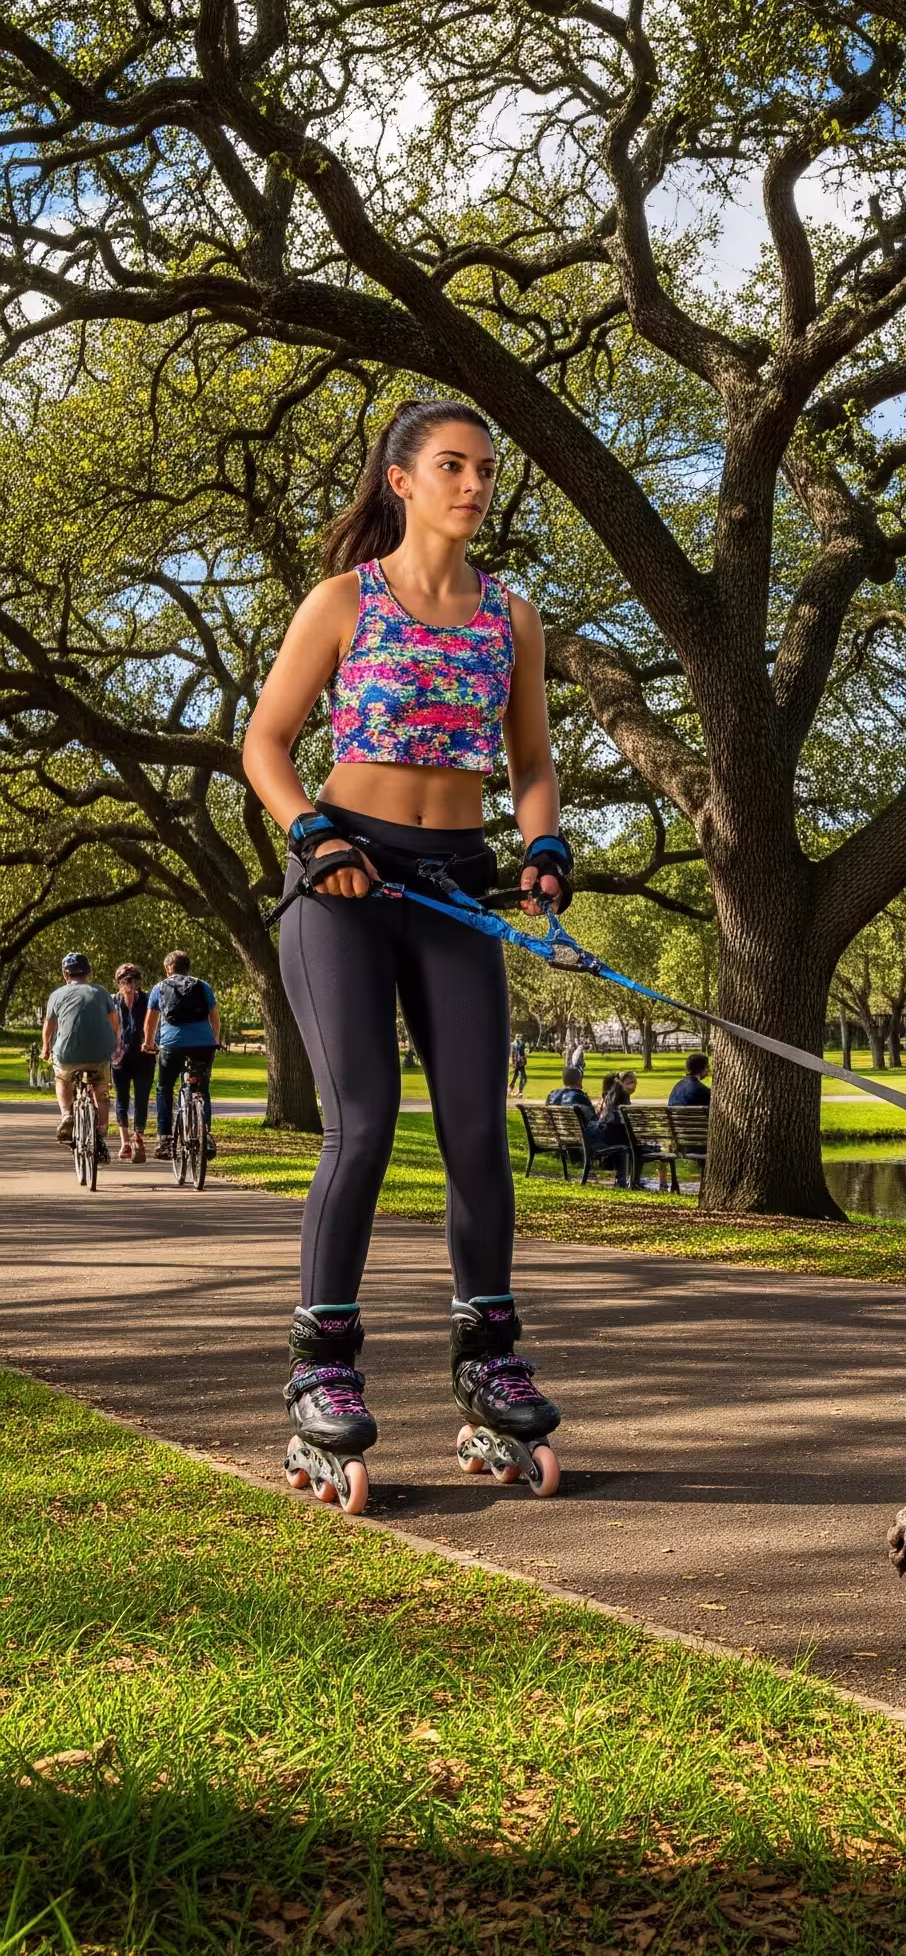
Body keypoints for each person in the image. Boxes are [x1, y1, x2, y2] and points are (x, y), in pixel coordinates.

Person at [242, 397, 573, 1510]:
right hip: (338, 878)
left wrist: (543, 843)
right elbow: (265, 742)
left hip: (450, 882)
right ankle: (321, 1370)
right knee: (367, 1121)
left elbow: (531, 762)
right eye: (452, 465)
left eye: (486, 467)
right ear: (401, 479)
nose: (474, 484)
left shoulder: (510, 618)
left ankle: (489, 1358)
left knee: (479, 1129)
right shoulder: (344, 600)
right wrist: (311, 833)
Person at [145, 948, 222, 1158]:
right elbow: (214, 1019)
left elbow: (150, 1023)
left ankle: (166, 1140)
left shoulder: (159, 988)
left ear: (168, 968)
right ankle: (205, 1137)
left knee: (164, 1088)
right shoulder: (203, 986)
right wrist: (214, 1040)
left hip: (172, 1046)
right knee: (202, 1090)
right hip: (203, 1046)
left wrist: (148, 1044)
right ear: (187, 968)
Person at [42, 952, 114, 1163]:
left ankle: (66, 1115)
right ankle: (100, 1133)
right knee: (101, 1092)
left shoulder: (56, 995)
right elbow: (115, 1022)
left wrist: (46, 1047)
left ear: (66, 974)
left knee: (62, 1078)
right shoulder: (101, 992)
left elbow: (49, 1026)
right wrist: (114, 1043)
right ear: (88, 972)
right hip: (100, 1054)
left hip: (67, 1054)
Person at [109, 961, 156, 1162]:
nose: (129, 983)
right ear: (118, 982)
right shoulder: (112, 1002)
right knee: (121, 1098)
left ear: (139, 982)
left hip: (144, 1056)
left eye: (133, 979)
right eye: (125, 980)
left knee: (141, 1098)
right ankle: (124, 1143)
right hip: (119, 1059)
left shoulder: (147, 1000)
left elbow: (156, 1022)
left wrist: (154, 1043)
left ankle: (138, 1138)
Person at [592, 1069, 639, 1187]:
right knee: (630, 1143)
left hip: (602, 1138)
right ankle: (631, 1180)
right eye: (629, 1082)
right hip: (615, 1140)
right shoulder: (622, 1102)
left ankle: (626, 1179)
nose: (633, 1085)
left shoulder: (607, 1101)